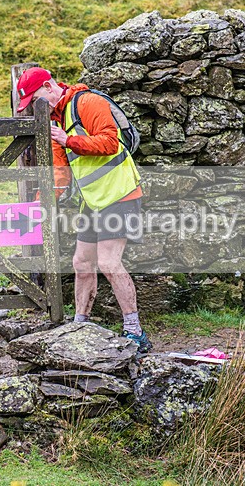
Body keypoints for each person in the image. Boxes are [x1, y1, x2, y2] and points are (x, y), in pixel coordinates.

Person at [16, 67, 152, 353]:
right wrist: (39, 209)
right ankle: (81, 325)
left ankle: (134, 331)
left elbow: (110, 142)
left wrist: (69, 140)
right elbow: (59, 174)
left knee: (109, 263)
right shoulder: (55, 120)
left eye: (35, 99)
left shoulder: (89, 103)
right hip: (92, 201)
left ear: (50, 86)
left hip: (121, 195)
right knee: (81, 262)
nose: (35, 108)